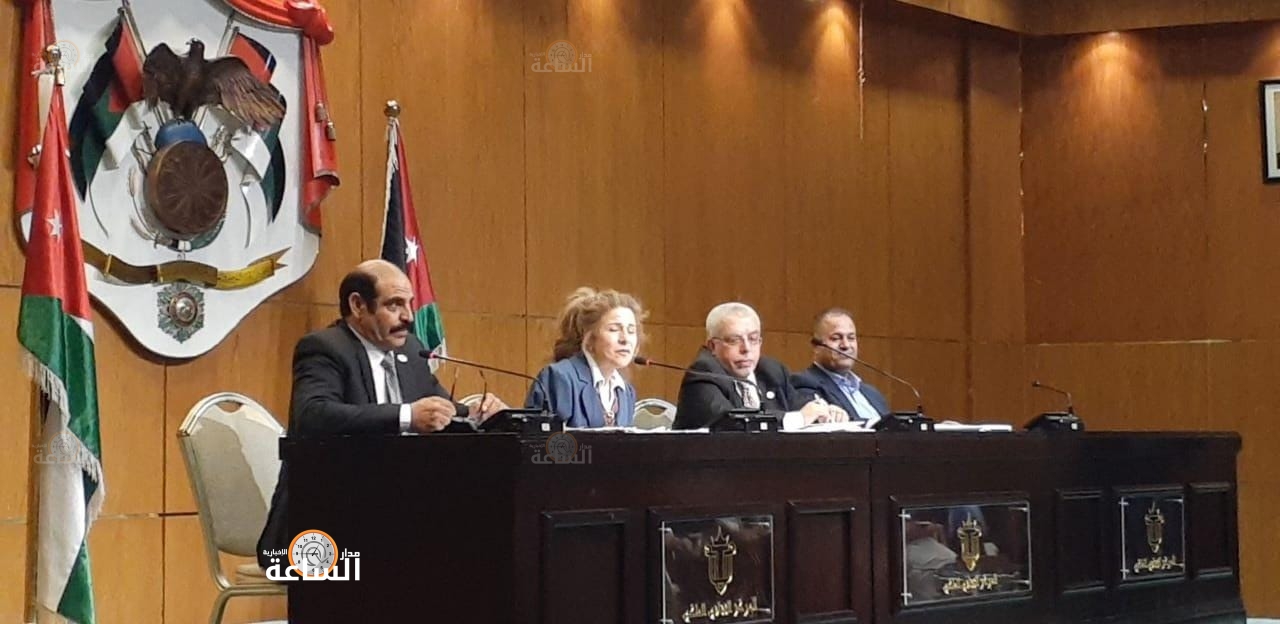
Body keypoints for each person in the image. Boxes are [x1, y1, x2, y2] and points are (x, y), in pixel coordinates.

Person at [257, 259, 505, 569]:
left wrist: (480, 413)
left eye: (409, 304)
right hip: (328, 520)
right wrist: (407, 416)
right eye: (394, 305)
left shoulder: (410, 350)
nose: (409, 317)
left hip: (397, 514)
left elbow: (442, 407)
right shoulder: (324, 348)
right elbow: (314, 414)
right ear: (358, 305)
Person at [673, 302, 837, 430]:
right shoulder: (703, 373)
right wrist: (798, 419)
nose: (746, 349)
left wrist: (825, 411)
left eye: (753, 339)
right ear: (712, 347)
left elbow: (801, 404)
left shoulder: (771, 371)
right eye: (734, 340)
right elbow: (731, 424)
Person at [525, 287, 645, 427]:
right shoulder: (560, 378)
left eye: (631, 331)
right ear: (589, 338)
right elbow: (540, 438)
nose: (625, 339)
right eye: (614, 329)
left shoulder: (626, 392)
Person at [791, 308, 890, 427]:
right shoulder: (804, 384)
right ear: (816, 347)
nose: (846, 345)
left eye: (851, 338)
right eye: (836, 338)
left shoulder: (873, 393)